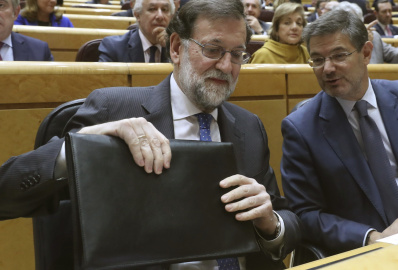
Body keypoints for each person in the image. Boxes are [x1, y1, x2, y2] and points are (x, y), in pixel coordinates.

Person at [0, 0, 301, 269]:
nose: (226, 66)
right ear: (175, 48)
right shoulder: (112, 109)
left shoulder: (248, 126)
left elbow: (284, 217)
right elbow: (6, 193)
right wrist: (82, 145)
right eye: (213, 50)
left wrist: (271, 223)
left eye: (237, 55)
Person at [281, 9, 398, 256]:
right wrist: (371, 238)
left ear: (366, 53)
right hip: (365, 250)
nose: (327, 68)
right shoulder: (300, 127)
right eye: (317, 59)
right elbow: (305, 213)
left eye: (338, 55)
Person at [99, 0, 174, 62]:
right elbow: (104, 79)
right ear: (137, 15)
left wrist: (171, 49)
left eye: (164, 10)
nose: (160, 16)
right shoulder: (113, 47)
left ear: (171, 16)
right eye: (152, 9)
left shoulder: (178, 48)